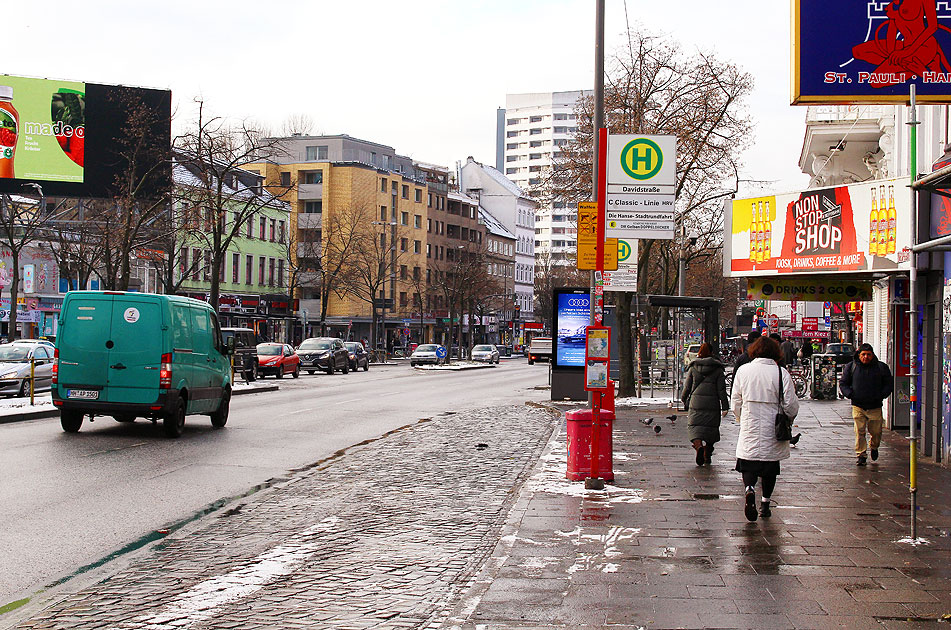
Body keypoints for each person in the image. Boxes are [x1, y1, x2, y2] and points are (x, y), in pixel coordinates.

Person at [730, 336, 800, 522]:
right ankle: (765, 503)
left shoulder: (744, 371)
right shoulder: (780, 372)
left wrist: (739, 416)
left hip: (750, 421)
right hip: (773, 425)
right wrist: (788, 417)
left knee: (749, 460)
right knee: (770, 466)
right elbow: (791, 404)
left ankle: (749, 489)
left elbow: (735, 399)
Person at [839, 343, 894, 466]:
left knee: (876, 432)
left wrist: (882, 395)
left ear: (872, 355)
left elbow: (888, 384)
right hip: (858, 405)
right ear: (859, 355)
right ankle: (861, 454)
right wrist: (850, 394)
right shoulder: (851, 367)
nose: (865, 357)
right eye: (863, 354)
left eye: (868, 355)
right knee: (859, 431)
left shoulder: (881, 367)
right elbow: (843, 383)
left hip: (875, 406)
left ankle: (874, 446)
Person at [681, 343, 729, 466]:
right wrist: (725, 406)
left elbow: (687, 387)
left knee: (694, 427)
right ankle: (707, 452)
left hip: (696, 402)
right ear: (712, 353)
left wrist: (684, 398)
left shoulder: (693, 367)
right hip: (712, 403)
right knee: (711, 429)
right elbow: (721, 390)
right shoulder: (717, 369)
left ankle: (698, 446)